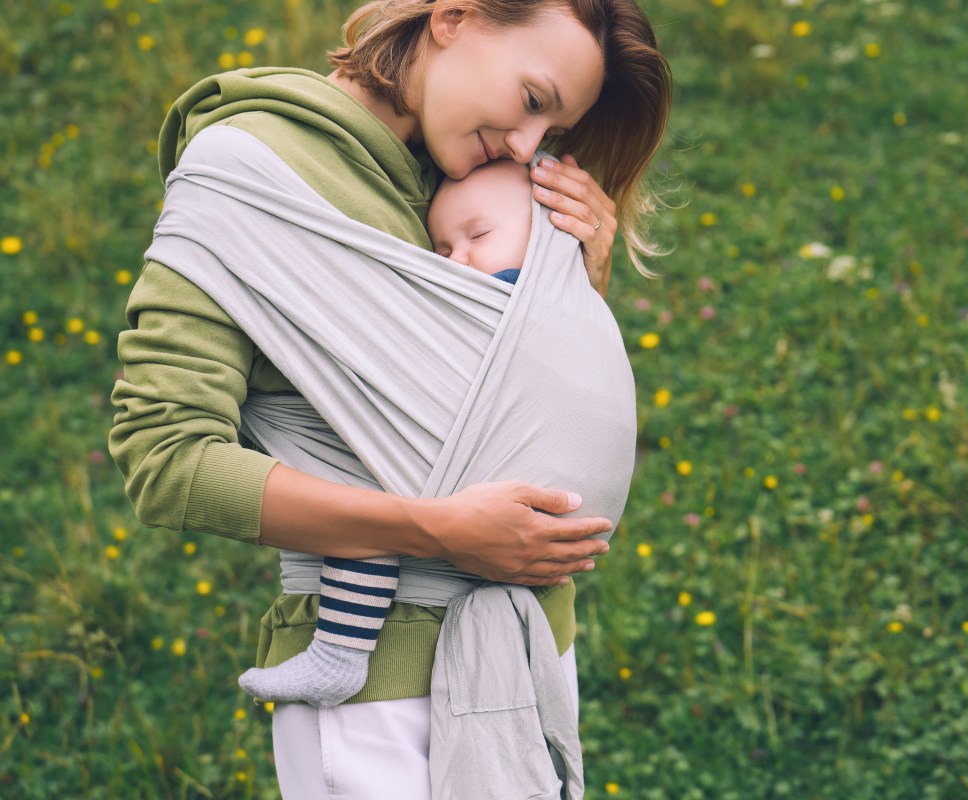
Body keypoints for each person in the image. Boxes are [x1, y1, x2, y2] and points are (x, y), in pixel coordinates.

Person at [108, 1, 671, 797]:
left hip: (534, 655)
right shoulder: (252, 171)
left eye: (551, 132)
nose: (526, 144)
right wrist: (436, 530)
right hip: (374, 690)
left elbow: (506, 397)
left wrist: (570, 287)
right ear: (455, 19)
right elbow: (166, 460)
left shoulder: (479, 186)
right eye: (533, 99)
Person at [234, 159, 555, 708]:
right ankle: (338, 657)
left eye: (478, 235)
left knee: (360, 507)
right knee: (367, 509)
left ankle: (339, 654)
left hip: (479, 460)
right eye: (442, 251)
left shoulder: (518, 294)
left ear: (549, 236)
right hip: (488, 487)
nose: (460, 260)